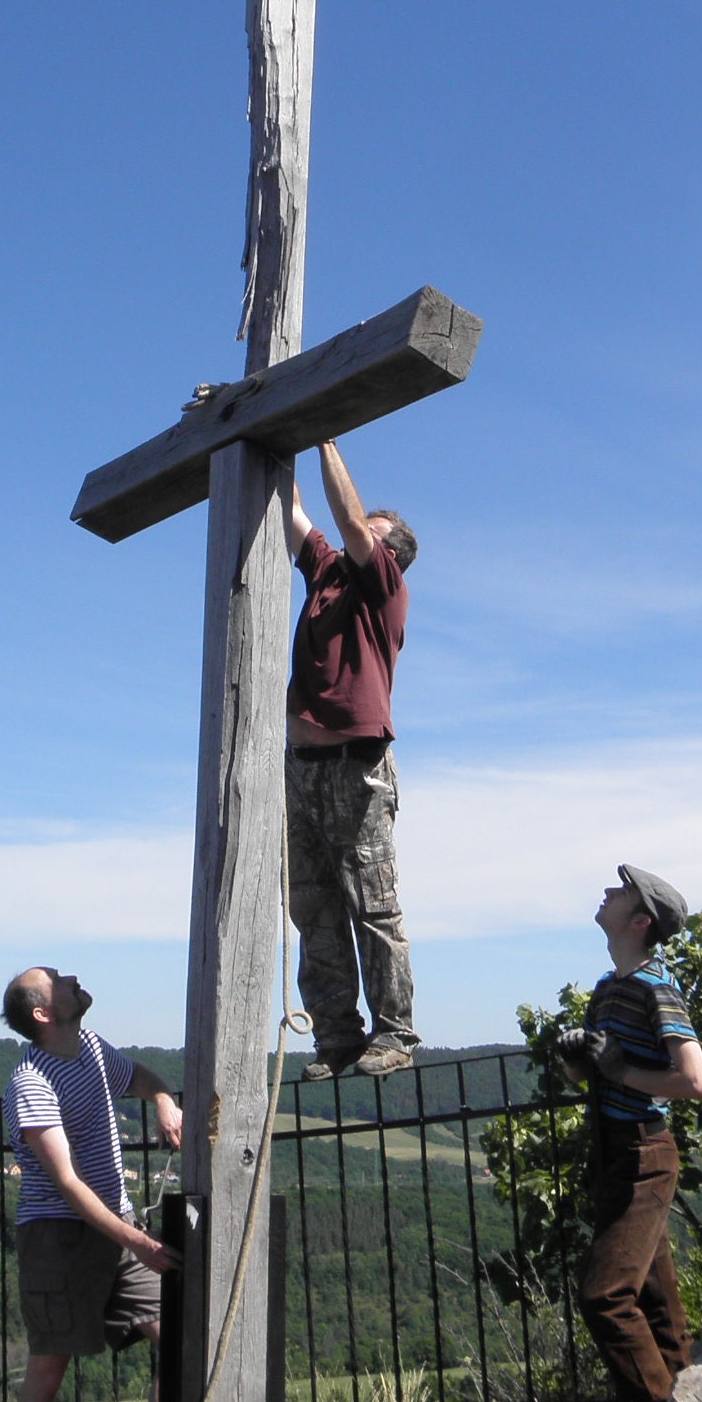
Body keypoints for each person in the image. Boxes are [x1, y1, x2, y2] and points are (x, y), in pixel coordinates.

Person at [1, 966, 183, 1402]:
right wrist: (139, 1242)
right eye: (57, 979)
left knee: (177, 1343)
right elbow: (68, 1185)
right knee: (46, 1377)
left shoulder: (95, 1051)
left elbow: (143, 1076)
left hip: (118, 1232)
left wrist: (161, 1099)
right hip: (59, 1238)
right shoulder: (29, 1083)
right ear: (45, 1014)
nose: (72, 977)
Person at [560, 865, 702, 1402]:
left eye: (619, 890)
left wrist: (622, 1069)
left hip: (645, 1152)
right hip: (615, 1152)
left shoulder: (657, 988)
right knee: (654, 1295)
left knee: (605, 1294)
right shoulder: (608, 987)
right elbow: (591, 1077)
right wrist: (578, 1058)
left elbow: (695, 1083)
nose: (606, 890)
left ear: (640, 920)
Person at [284, 439, 420, 1083]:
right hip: (301, 766)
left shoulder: (382, 587)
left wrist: (323, 433)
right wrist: (274, 437)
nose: (357, 531)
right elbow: (295, 514)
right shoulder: (326, 573)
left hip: (356, 765)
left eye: (371, 530)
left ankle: (393, 1035)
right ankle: (337, 1037)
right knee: (313, 906)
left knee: (373, 904)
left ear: (389, 553)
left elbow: (342, 516)